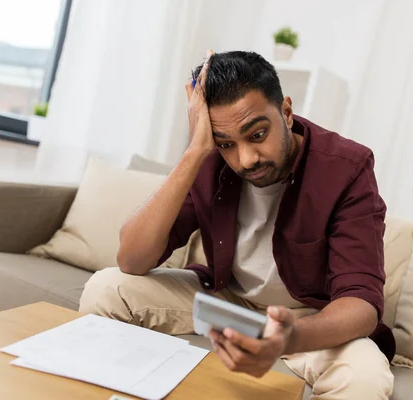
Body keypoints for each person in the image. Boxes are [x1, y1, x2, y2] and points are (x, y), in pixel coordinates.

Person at [79, 50, 395, 399]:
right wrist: (195, 153)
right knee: (107, 287)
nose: (245, 158)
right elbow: (131, 260)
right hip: (228, 302)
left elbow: (361, 303)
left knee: (365, 380)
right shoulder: (211, 159)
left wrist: (288, 336)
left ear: (286, 112)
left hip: (309, 318)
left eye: (257, 135)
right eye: (226, 143)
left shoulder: (346, 167)